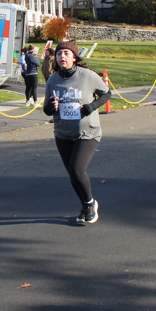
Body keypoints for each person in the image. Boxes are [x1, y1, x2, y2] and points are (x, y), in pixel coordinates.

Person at [43, 41, 110, 226]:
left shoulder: (87, 75)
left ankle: (89, 203)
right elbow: (47, 110)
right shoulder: (52, 80)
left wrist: (90, 107)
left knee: (76, 169)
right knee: (73, 174)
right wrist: (52, 106)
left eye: (66, 53)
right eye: (59, 54)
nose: (62, 57)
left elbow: (106, 94)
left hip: (87, 132)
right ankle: (86, 205)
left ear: (74, 57)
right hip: (63, 133)